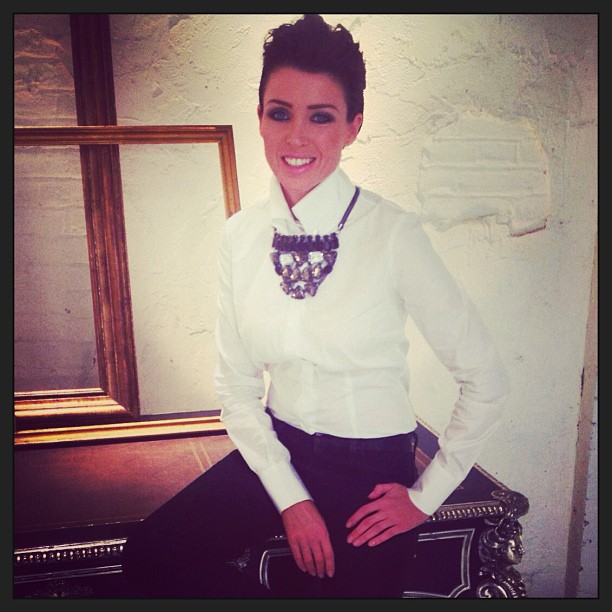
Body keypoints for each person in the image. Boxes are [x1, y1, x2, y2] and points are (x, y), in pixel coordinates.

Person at [121, 14, 510, 599]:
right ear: (259, 117)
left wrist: (425, 497)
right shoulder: (240, 236)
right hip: (278, 450)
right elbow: (236, 388)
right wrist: (291, 498)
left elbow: (486, 378)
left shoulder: (393, 235)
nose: (296, 138)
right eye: (280, 113)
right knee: (153, 555)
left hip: (370, 471)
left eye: (320, 117)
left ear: (353, 126)